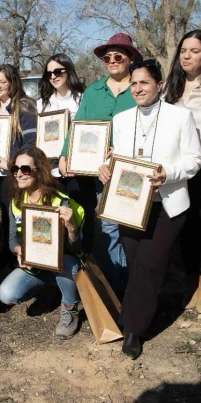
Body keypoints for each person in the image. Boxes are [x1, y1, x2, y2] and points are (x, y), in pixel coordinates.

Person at [98, 60, 201, 359]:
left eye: (144, 82)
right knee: (137, 264)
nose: (137, 88)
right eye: (133, 83)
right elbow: (118, 155)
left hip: (168, 206)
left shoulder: (180, 117)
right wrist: (105, 167)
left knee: (151, 266)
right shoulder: (122, 119)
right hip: (129, 205)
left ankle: (133, 329)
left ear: (159, 84)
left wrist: (167, 174)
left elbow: (194, 159)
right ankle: (137, 313)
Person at [59, 33, 143, 293]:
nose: (112, 61)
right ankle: (117, 288)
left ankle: (136, 281)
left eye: (119, 56)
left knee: (132, 227)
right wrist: (65, 154)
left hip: (133, 169)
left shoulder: (140, 88)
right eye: (108, 57)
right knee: (108, 225)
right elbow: (78, 127)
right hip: (101, 173)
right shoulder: (93, 91)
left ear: (130, 59)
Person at [0, 146, 84, 340]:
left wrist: (71, 227)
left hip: (63, 263)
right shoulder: (16, 201)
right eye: (15, 169)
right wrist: (19, 250)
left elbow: (77, 250)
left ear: (39, 171)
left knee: (69, 263)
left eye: (25, 169)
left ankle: (70, 309)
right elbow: (12, 238)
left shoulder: (60, 202)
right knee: (6, 294)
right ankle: (50, 288)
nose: (19, 174)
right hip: (35, 264)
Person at [164, 30, 201, 313]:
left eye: (194, 51)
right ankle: (191, 282)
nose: (186, 56)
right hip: (179, 170)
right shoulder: (172, 88)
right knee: (186, 226)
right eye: (184, 50)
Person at [0, 64, 37, 251]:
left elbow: (30, 142)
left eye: (2, 82)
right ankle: (7, 253)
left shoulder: (24, 105)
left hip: (12, 172)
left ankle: (17, 254)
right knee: (4, 213)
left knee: (13, 214)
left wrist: (11, 165)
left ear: (12, 83)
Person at [37, 53, 85, 201]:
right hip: (51, 170)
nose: (53, 77)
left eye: (57, 72)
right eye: (49, 73)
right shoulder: (42, 103)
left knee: (82, 212)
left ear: (68, 71)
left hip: (78, 170)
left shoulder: (82, 99)